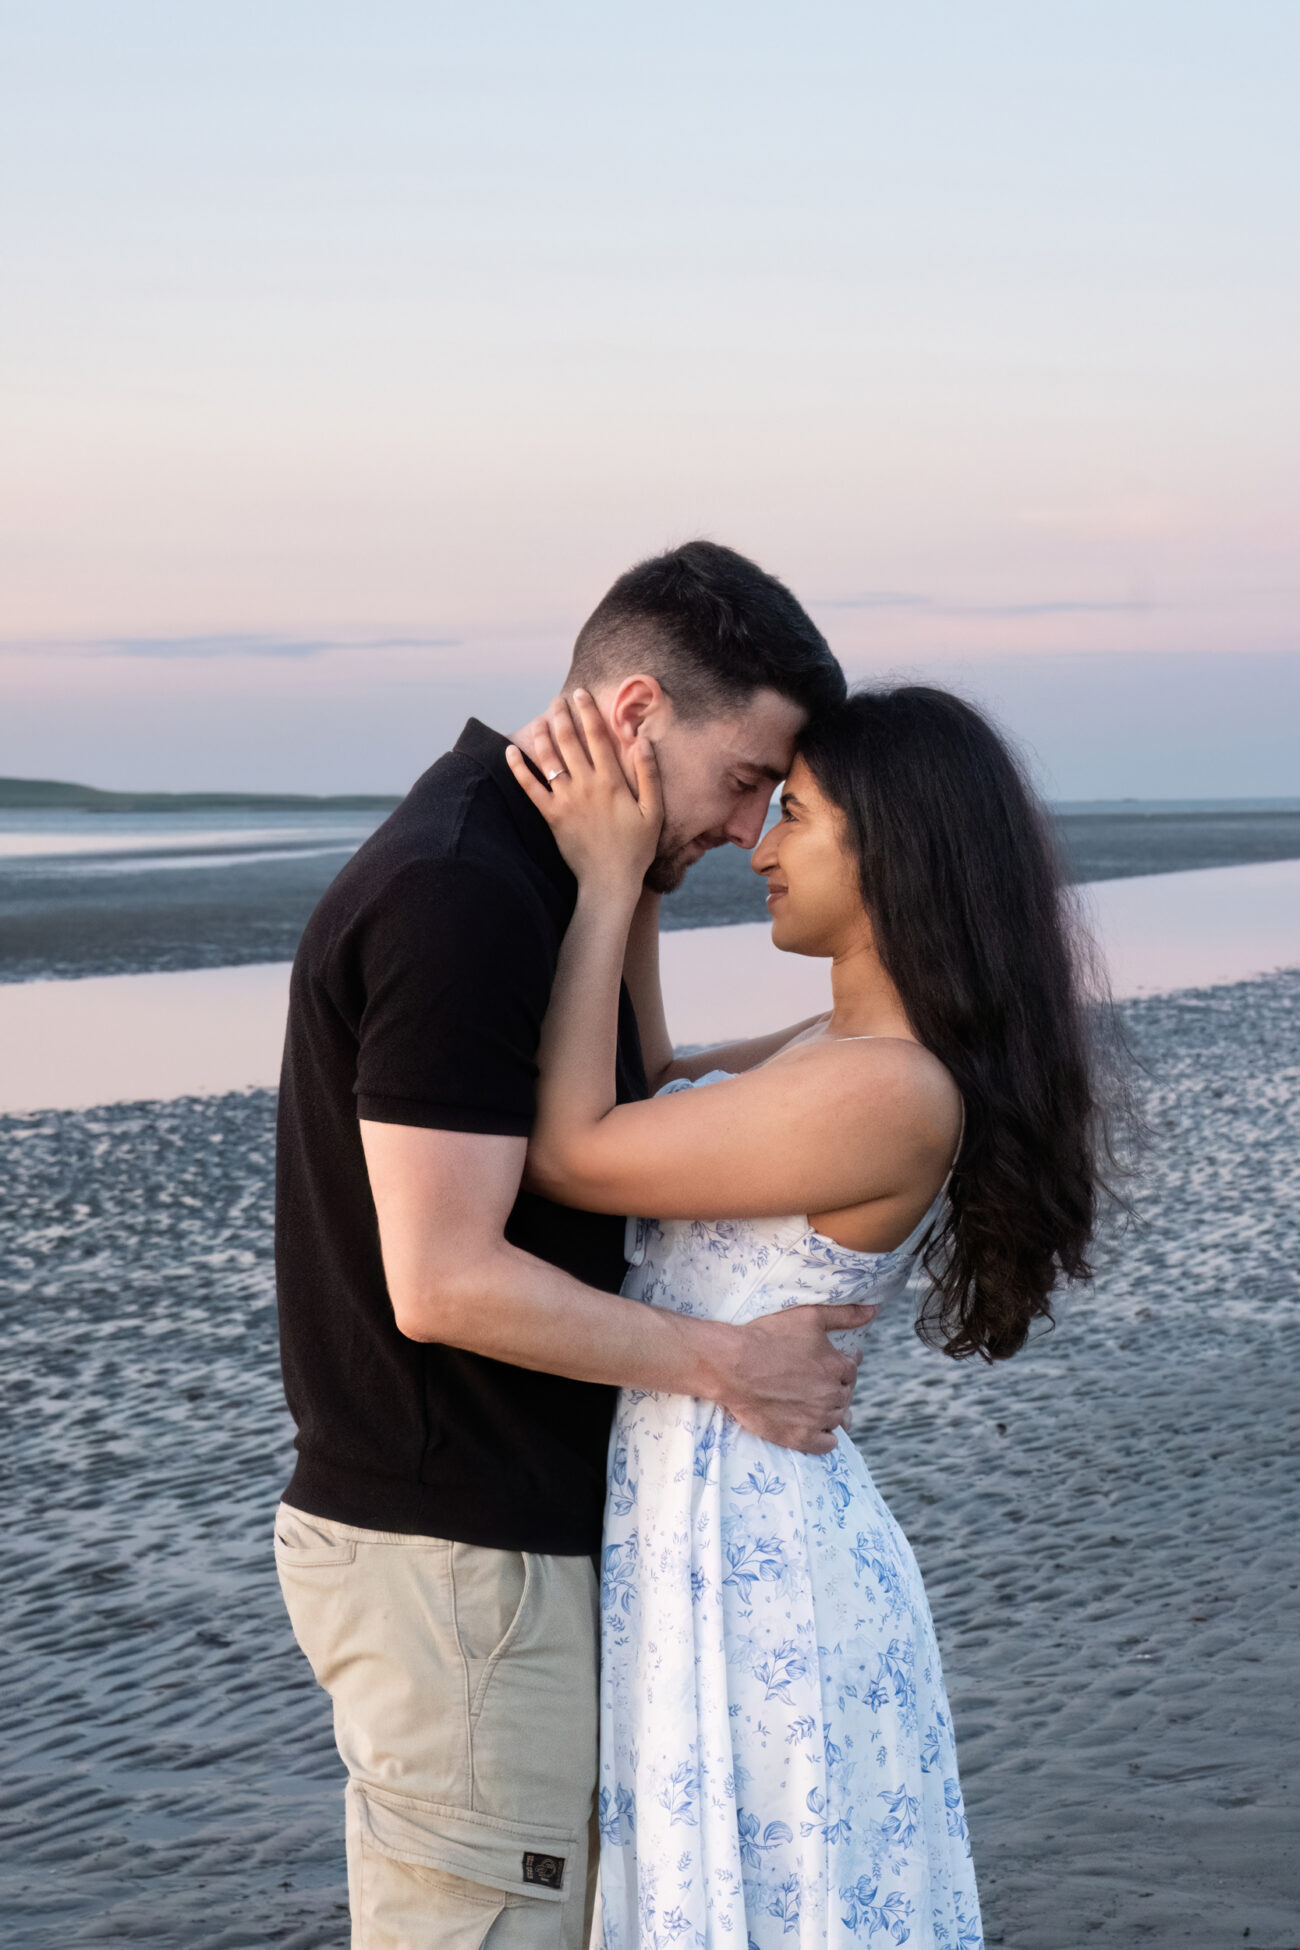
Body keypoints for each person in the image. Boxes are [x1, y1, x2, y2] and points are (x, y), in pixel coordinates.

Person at [272, 540, 877, 1950]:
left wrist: (647, 893)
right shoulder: (463, 890)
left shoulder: (532, 871)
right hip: (456, 1560)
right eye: (742, 781)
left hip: (490, 1546)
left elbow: (635, 1098)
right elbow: (443, 1277)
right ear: (635, 715)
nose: (747, 830)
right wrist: (730, 1364)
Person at [506, 684, 1106, 1949]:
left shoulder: (887, 1088)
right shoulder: (834, 1045)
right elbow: (654, 1084)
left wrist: (608, 882)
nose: (763, 849)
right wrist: (652, 877)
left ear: (894, 850)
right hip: (708, 1533)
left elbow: (574, 1149)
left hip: (760, 1565)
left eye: (800, 817)